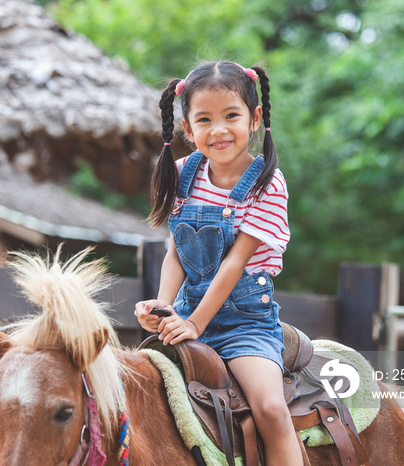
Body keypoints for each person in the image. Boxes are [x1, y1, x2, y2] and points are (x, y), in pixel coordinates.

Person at [134, 61, 303, 465]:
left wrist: (195, 324)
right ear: (188, 130)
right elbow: (177, 250)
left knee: (271, 410)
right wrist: (164, 306)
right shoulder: (180, 174)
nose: (219, 130)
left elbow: (235, 264)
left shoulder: (267, 182)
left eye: (231, 116)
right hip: (189, 314)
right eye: (204, 119)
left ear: (255, 118)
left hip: (244, 322)